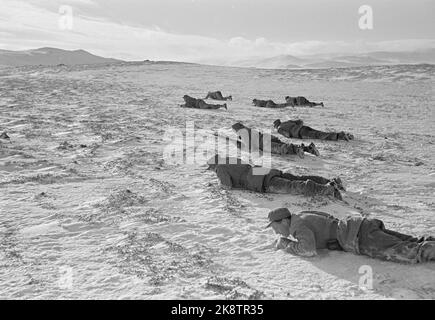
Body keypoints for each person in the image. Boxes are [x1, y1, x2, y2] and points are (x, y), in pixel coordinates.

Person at [266, 207, 435, 263]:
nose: (276, 232)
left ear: (283, 221)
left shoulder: (297, 225)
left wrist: (285, 244)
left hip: (358, 236)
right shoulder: (302, 214)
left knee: (411, 252)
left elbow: (308, 250)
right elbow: (329, 218)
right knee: (413, 242)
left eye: (275, 227)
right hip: (360, 226)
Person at [207, 155, 343, 200]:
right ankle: (329, 181)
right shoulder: (231, 159)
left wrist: (216, 187)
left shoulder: (220, 168)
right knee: (297, 178)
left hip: (261, 181)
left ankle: (327, 189)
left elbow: (227, 185)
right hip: (264, 171)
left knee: (293, 186)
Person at [231, 122, 320, 158]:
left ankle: (298, 149)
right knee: (285, 146)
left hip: (264, 143)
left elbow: (251, 147)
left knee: (282, 149)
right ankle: (309, 148)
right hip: (269, 137)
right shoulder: (248, 130)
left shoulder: (242, 133)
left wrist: (239, 145)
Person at [273, 119, 354, 141]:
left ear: (276, 126)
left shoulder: (279, 129)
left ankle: (340, 135)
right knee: (319, 133)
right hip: (303, 127)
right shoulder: (286, 122)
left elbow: (288, 135)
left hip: (300, 133)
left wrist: (292, 134)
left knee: (319, 136)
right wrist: (298, 126)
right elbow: (299, 121)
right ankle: (345, 135)